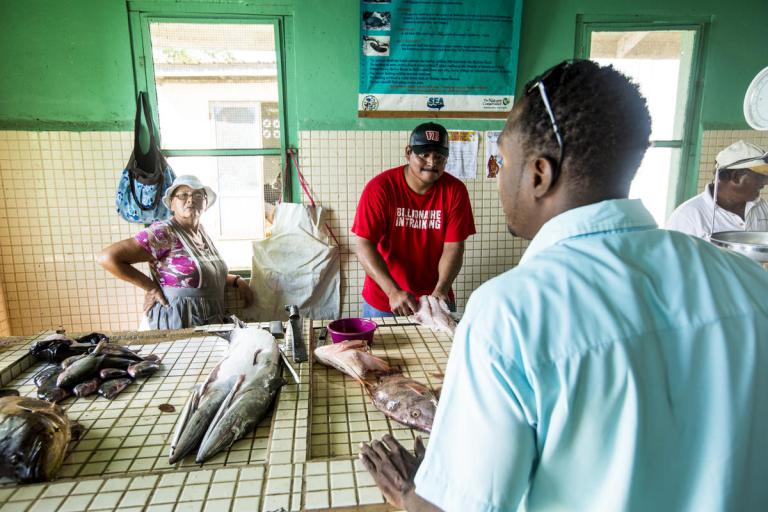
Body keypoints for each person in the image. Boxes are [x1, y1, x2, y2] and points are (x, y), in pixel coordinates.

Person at [359, 60, 768, 511]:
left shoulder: (508, 315)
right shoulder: (751, 286)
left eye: (503, 161)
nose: (496, 176)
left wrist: (405, 491)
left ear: (539, 174)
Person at [352, 122, 476, 317]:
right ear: (408, 152)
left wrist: (441, 289)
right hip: (385, 300)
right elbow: (363, 245)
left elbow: (454, 247)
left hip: (435, 298)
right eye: (424, 155)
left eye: (439, 156)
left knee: (443, 348)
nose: (431, 162)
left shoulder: (455, 191)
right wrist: (392, 291)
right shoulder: (380, 188)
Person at [98, 175, 253, 329]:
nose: (191, 199)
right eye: (183, 195)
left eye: (197, 194)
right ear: (171, 204)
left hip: (208, 319)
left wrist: (236, 280)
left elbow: (201, 275)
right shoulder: (164, 232)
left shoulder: (201, 232)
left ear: (205, 203)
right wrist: (151, 288)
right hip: (176, 320)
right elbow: (108, 257)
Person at [666, 140, 768, 239]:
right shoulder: (687, 217)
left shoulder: (762, 207)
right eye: (760, 177)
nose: (765, 183)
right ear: (736, 176)